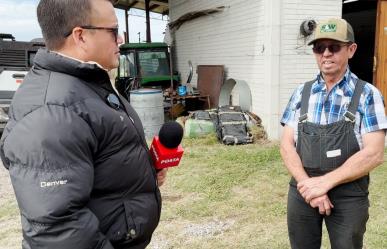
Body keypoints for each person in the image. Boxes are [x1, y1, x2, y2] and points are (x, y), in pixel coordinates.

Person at [0, 0, 167, 248]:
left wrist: (143, 170)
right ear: (80, 36)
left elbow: (101, 155)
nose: (120, 39)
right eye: (113, 31)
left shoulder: (88, 85)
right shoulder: (52, 111)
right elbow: (59, 228)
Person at [280, 17, 386, 249]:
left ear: (351, 50)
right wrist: (309, 187)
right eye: (319, 48)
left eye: (334, 47)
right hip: (303, 189)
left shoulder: (368, 95)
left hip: (348, 193)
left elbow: (374, 154)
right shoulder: (301, 93)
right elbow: (287, 145)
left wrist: (324, 184)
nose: (326, 54)